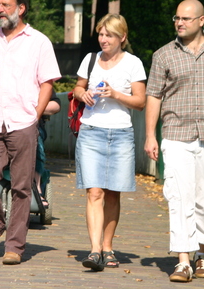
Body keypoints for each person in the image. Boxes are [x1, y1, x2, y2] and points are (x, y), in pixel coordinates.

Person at [144, 0, 204, 282]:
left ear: (201, 21)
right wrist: (151, 134)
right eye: (177, 18)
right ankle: (183, 261)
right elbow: (154, 96)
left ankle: (203, 255)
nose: (179, 23)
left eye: (186, 19)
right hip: (176, 135)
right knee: (179, 197)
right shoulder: (163, 55)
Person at [0, 0, 61, 265]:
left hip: (23, 121)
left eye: (5, 5)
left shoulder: (40, 42)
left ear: (20, 9)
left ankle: (14, 245)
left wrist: (35, 114)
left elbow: (47, 83)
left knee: (22, 186)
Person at [72, 14, 146, 271]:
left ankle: (107, 247)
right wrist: (84, 94)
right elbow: (77, 89)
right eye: (101, 34)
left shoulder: (133, 63)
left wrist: (116, 94)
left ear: (122, 38)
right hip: (91, 132)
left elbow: (140, 102)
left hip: (121, 134)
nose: (103, 39)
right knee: (94, 192)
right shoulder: (90, 59)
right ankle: (94, 251)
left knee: (113, 194)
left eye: (109, 35)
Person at [0, 88, 61, 205]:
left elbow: (55, 104)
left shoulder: (35, 76)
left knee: (35, 140)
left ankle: (36, 187)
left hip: (29, 124)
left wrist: (30, 108)